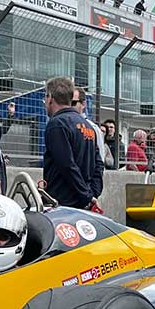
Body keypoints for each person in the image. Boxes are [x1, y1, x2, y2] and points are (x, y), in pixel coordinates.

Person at [42, 77, 103, 210]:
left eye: (45, 97)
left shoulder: (57, 124)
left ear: (50, 97)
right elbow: (98, 164)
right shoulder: (88, 126)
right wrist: (91, 194)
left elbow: (67, 165)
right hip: (82, 202)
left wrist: (87, 195)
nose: (45, 102)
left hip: (62, 203)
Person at [72, 88, 110, 170]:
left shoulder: (93, 128)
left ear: (83, 104)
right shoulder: (62, 125)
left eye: (73, 103)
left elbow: (100, 159)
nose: (70, 106)